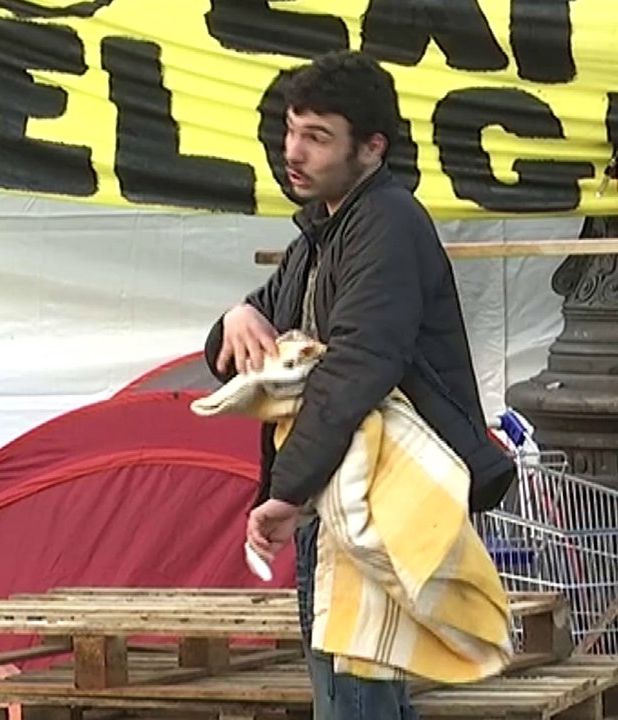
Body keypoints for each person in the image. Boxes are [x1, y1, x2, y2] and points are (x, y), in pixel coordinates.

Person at [202, 50, 514, 720]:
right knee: (357, 694)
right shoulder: (319, 233)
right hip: (340, 498)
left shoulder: (387, 224)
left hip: (380, 501)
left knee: (355, 698)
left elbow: (356, 368)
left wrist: (285, 491)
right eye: (291, 131)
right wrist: (236, 317)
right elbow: (241, 348)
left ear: (372, 148)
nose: (293, 152)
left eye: (317, 137)